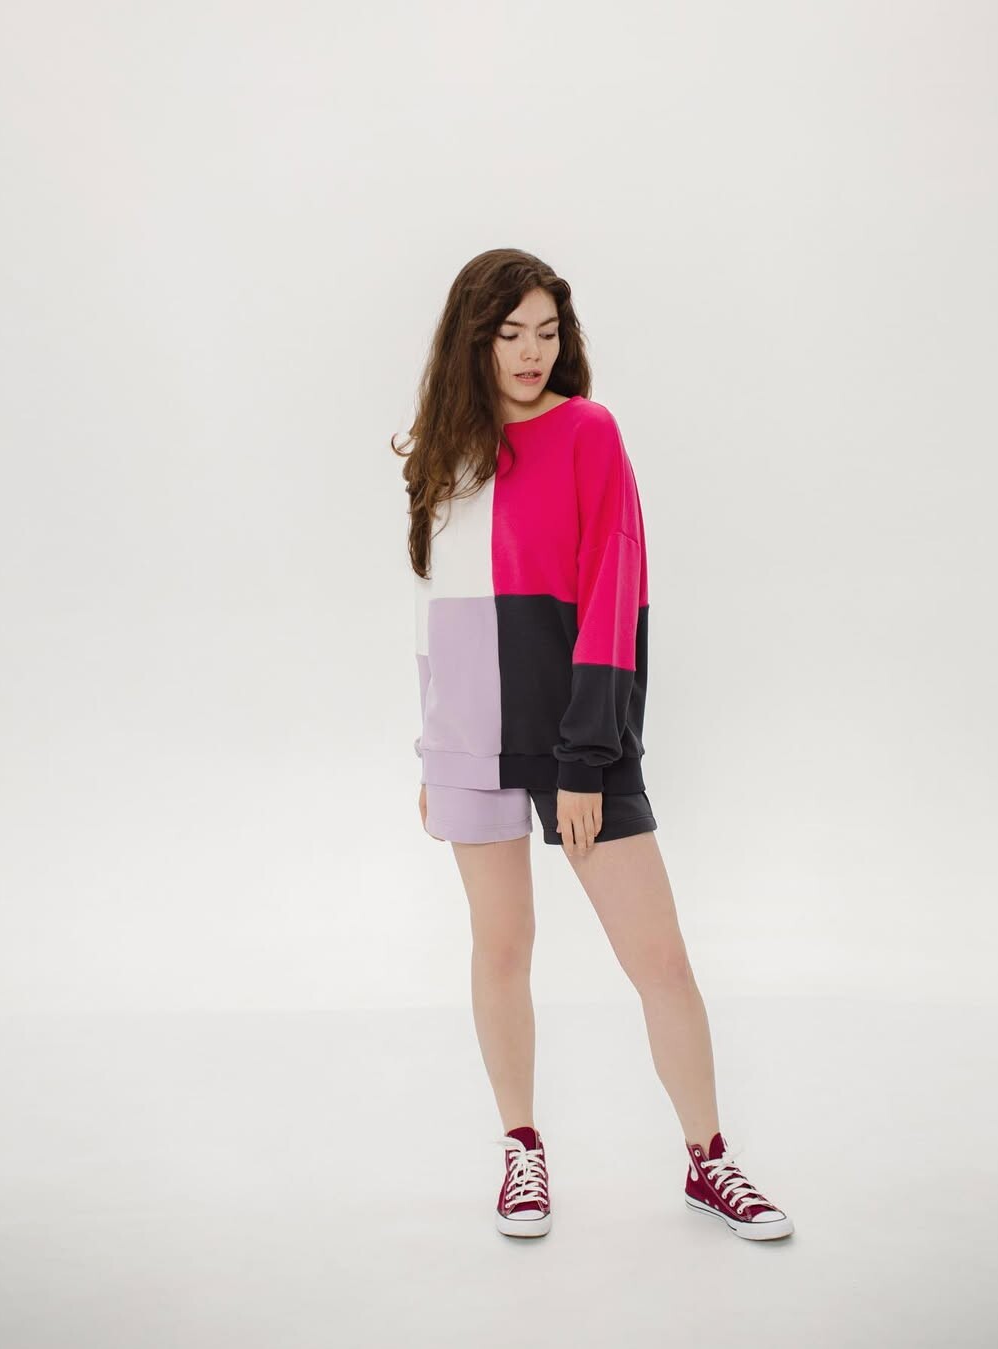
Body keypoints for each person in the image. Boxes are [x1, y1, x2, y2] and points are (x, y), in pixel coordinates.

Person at [392, 248, 793, 1243]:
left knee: (659, 957)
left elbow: (615, 592)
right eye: (510, 333)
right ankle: (521, 1148)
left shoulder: (588, 432)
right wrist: (434, 747)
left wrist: (585, 757)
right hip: (469, 738)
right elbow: (431, 605)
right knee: (501, 948)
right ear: (474, 341)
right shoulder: (445, 452)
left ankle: (709, 1158)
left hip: (579, 734)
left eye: (547, 332)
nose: (532, 352)